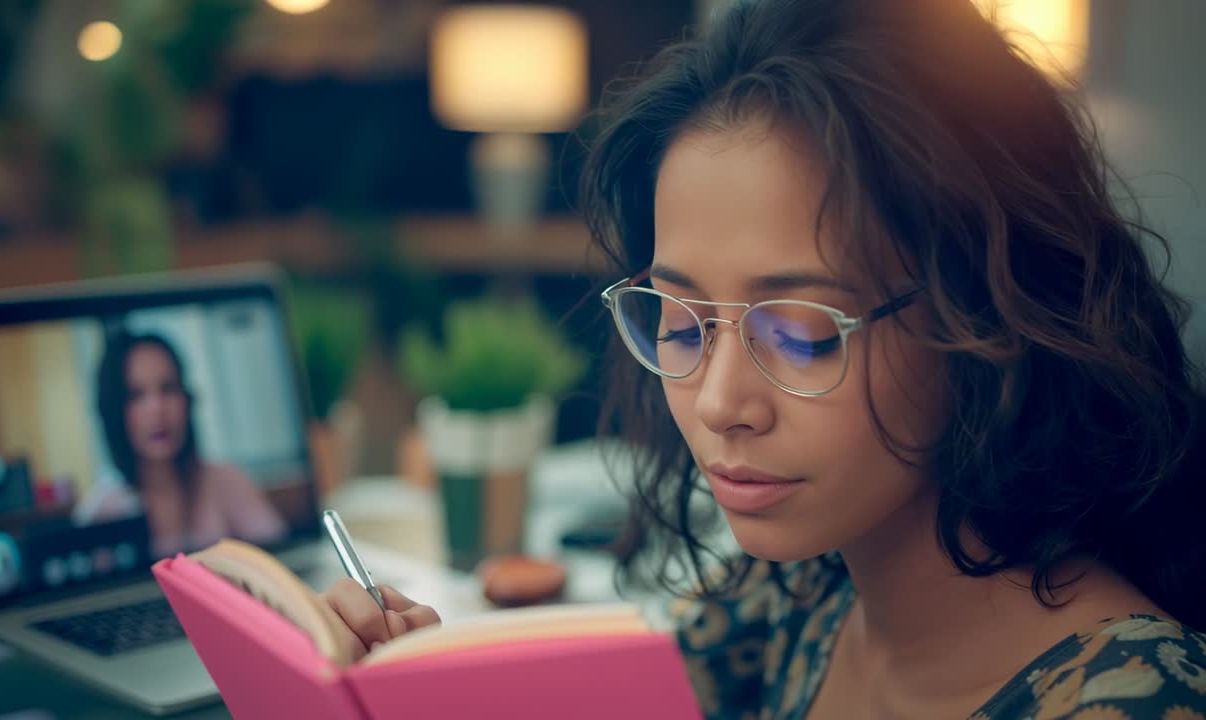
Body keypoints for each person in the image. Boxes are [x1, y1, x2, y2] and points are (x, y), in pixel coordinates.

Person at [320, 1, 1206, 717]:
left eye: (801, 330)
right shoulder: (798, 593)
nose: (719, 403)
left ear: (991, 316)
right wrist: (426, 679)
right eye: (677, 316)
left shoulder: (1135, 697)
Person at [83, 330, 287, 558]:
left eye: (168, 388)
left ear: (186, 399)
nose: (157, 409)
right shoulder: (100, 512)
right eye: (136, 395)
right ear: (114, 411)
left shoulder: (226, 480)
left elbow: (283, 557)